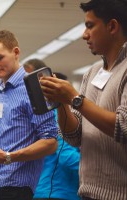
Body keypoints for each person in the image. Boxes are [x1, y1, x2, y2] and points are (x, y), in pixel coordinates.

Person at [40, 0, 127, 199]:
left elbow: (123, 126)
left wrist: (74, 98)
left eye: (90, 26)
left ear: (112, 26)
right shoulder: (92, 72)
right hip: (87, 192)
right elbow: (74, 136)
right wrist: (61, 101)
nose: (84, 35)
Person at [0, 30, 58, 200]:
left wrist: (8, 157)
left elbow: (51, 143)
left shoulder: (34, 89)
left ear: (16, 53)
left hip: (17, 187)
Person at [24, 60, 80, 200]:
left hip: (48, 190)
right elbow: (65, 155)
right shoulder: (55, 116)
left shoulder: (49, 115)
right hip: (57, 192)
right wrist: (96, 168)